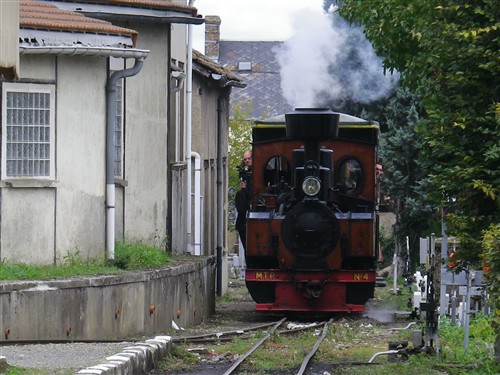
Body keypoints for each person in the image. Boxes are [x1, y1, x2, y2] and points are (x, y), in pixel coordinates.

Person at [235, 151, 252, 250]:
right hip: (243, 221)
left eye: (249, 158)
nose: (247, 161)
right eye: (245, 159)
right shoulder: (244, 174)